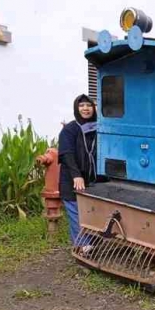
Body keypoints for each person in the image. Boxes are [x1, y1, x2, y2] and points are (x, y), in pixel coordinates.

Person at [58, 94, 98, 246]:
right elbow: (67, 154)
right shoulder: (70, 129)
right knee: (77, 214)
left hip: (93, 180)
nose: (85, 109)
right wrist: (76, 176)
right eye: (81, 106)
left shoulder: (99, 127)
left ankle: (93, 244)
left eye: (89, 105)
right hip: (72, 180)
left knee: (92, 213)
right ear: (76, 108)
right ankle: (82, 247)